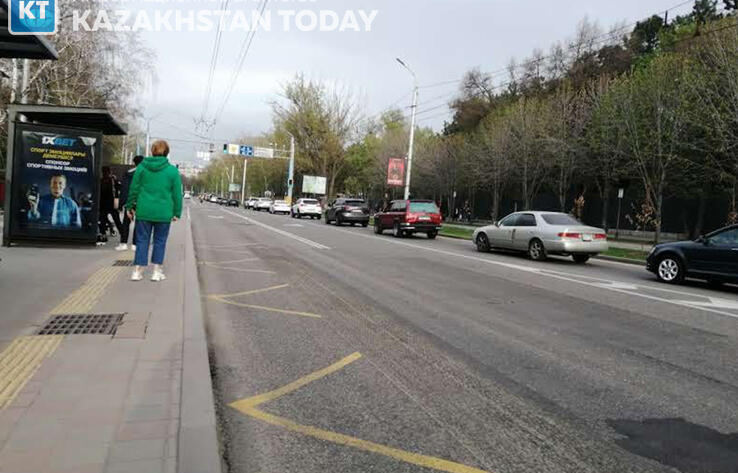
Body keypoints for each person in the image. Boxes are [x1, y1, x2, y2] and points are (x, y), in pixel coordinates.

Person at [127, 141, 182, 282]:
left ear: (152, 151)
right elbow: (177, 194)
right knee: (160, 241)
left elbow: (134, 189)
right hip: (163, 213)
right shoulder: (172, 171)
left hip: (144, 211)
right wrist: (177, 212)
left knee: (142, 240)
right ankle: (156, 272)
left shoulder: (141, 168)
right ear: (167, 152)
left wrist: (130, 207)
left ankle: (137, 271)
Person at [116, 155, 144, 251]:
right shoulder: (146, 173)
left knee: (126, 223)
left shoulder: (128, 173)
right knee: (138, 223)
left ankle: (123, 243)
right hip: (141, 202)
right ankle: (135, 244)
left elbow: (124, 189)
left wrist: (122, 204)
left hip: (129, 201)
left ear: (134, 163)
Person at [99, 166, 123, 238]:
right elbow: (119, 188)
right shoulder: (113, 180)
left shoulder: (101, 181)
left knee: (103, 219)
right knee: (116, 219)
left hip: (103, 203)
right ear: (110, 172)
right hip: (112, 203)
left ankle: (103, 233)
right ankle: (122, 233)